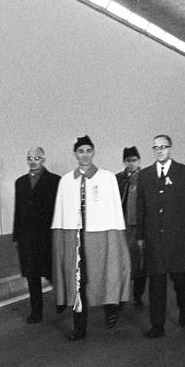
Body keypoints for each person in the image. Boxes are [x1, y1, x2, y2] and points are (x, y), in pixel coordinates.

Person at [51, 136, 132, 341]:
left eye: (88, 150)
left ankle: (110, 309)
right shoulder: (66, 181)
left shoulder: (107, 178)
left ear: (93, 152)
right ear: (75, 154)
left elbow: (115, 211)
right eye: (81, 151)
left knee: (106, 273)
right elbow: (61, 214)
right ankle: (79, 328)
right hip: (75, 237)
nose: (85, 154)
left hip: (102, 235)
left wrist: (116, 237)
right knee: (78, 282)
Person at [136, 134, 185, 339]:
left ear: (170, 148)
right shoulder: (145, 175)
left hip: (179, 237)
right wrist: (140, 235)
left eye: (163, 147)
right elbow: (141, 208)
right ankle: (157, 324)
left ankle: (184, 309)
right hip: (154, 238)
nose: (160, 150)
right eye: (156, 147)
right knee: (156, 282)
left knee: (180, 279)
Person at [12, 146, 60, 324]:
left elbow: (58, 209)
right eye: (30, 158)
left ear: (44, 159)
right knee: (32, 275)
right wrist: (17, 235)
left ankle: (61, 300)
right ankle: (36, 311)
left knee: (51, 272)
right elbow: (18, 210)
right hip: (27, 237)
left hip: (47, 235)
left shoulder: (55, 181)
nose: (33, 161)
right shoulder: (21, 182)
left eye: (37, 158)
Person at [116, 146, 147, 307]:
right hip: (122, 227)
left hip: (140, 228)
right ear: (124, 161)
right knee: (122, 264)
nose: (131, 163)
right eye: (128, 160)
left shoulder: (146, 178)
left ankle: (137, 295)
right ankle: (121, 296)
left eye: (134, 160)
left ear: (139, 160)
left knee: (140, 264)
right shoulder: (118, 179)